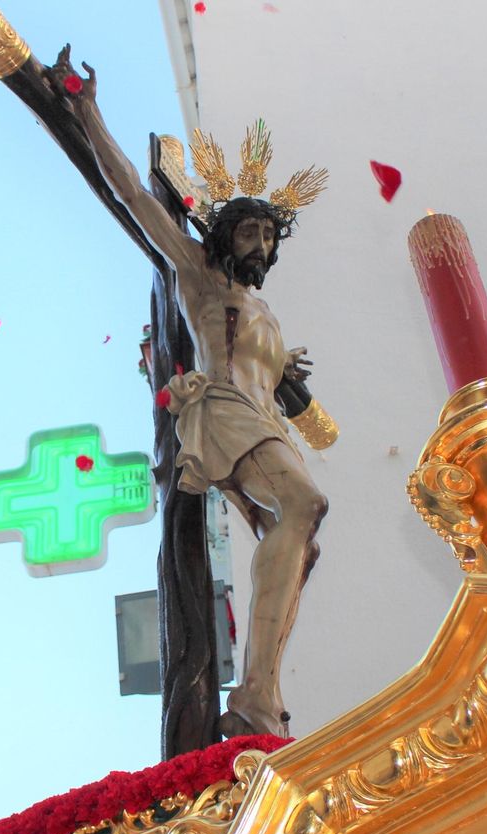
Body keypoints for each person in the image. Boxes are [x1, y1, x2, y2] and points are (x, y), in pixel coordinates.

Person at [49, 48, 328, 738]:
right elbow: (136, 198)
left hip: (265, 423)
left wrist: (291, 380)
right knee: (304, 502)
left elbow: (286, 391)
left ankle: (264, 697)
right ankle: (255, 696)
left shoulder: (264, 313)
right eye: (248, 229)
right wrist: (88, 112)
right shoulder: (199, 277)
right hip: (226, 418)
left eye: (268, 232)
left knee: (302, 542)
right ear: (223, 233)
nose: (259, 241)